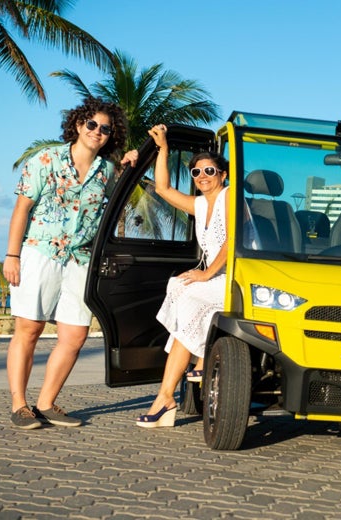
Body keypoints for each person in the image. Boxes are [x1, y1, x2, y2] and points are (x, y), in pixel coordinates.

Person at [3, 97, 137, 429]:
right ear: (78, 125)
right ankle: (20, 405)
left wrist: (129, 163)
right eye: (92, 125)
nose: (98, 132)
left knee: (75, 335)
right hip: (40, 254)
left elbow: (120, 186)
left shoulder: (105, 171)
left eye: (105, 129)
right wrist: (12, 254)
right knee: (29, 329)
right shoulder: (45, 160)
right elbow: (22, 209)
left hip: (80, 260)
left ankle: (46, 403)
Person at [136, 123, 229, 428]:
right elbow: (163, 189)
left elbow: (233, 243)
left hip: (234, 279)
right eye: (196, 173)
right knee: (178, 287)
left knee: (187, 290)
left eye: (209, 171)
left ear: (223, 175)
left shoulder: (231, 198)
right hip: (215, 279)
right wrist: (163, 149)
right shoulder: (200, 205)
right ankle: (166, 396)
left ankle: (195, 364)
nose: (202, 177)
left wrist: (205, 274)